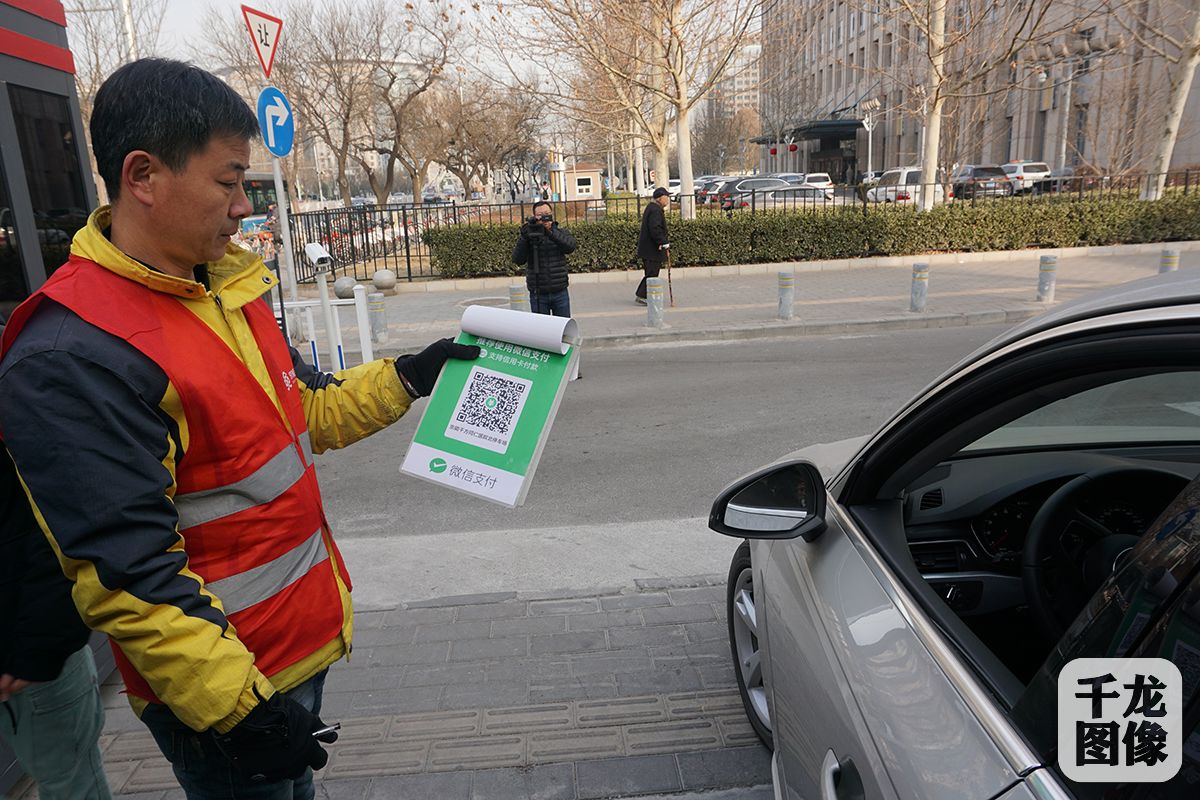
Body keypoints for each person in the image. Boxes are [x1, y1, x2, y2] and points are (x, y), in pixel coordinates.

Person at [0, 58, 479, 800]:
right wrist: (241, 711)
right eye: (228, 183)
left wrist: (411, 375)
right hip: (222, 696)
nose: (242, 208)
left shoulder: (222, 286)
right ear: (143, 175)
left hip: (292, 651)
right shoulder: (75, 353)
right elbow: (129, 574)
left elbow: (304, 409)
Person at [0, 440, 111, 800]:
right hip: (31, 650)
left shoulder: (21, 393)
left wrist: (39, 646)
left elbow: (70, 509)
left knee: (71, 783)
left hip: (31, 659)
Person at [512, 201, 577, 317]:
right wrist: (524, 238)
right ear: (534, 217)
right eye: (540, 215)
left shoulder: (559, 232)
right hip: (538, 293)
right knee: (540, 332)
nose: (544, 217)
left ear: (552, 214)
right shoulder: (529, 236)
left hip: (560, 291)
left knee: (562, 330)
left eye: (547, 213)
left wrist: (550, 233)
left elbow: (570, 246)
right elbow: (518, 259)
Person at [636, 187, 671, 305]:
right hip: (651, 249)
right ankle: (642, 295)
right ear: (660, 198)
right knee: (651, 273)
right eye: (666, 197)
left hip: (649, 249)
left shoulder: (653, 208)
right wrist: (662, 242)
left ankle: (644, 295)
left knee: (651, 273)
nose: (668, 200)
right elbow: (655, 228)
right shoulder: (655, 210)